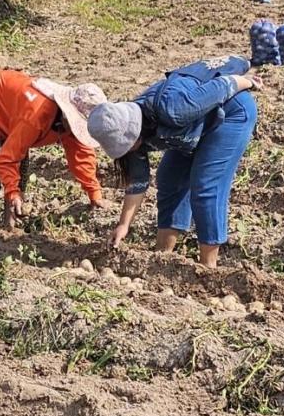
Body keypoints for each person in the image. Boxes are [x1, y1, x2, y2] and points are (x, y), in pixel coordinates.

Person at [86, 55, 261, 268]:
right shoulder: (128, 132)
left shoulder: (173, 108)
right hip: (192, 127)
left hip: (231, 112)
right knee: (169, 178)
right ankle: (163, 256)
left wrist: (251, 82)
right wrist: (123, 225)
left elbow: (223, 85)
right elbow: (138, 181)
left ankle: (209, 268)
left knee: (206, 185)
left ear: (133, 131)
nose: (126, 149)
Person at [0, 70, 107, 227]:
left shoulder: (67, 123)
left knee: (20, 165)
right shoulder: (36, 116)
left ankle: (9, 224)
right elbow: (7, 160)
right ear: (67, 114)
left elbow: (82, 154)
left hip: (13, 108)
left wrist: (95, 193)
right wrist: (13, 193)